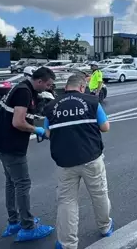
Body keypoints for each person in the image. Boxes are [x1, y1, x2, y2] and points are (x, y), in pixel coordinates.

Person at [0, 67, 56, 242]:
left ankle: (14, 221)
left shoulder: (22, 87)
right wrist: (38, 130)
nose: (49, 88)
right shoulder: (24, 93)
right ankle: (27, 226)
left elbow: (25, 115)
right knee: (22, 183)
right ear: (40, 81)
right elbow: (18, 122)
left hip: (2, 141)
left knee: (12, 182)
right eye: (48, 85)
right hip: (11, 144)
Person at [42, 74, 114, 249]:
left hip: (65, 161)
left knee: (67, 201)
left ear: (66, 87)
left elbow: (48, 133)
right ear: (82, 87)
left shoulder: (51, 106)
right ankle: (105, 227)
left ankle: (68, 243)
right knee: (99, 193)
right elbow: (105, 127)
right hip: (91, 157)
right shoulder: (91, 101)